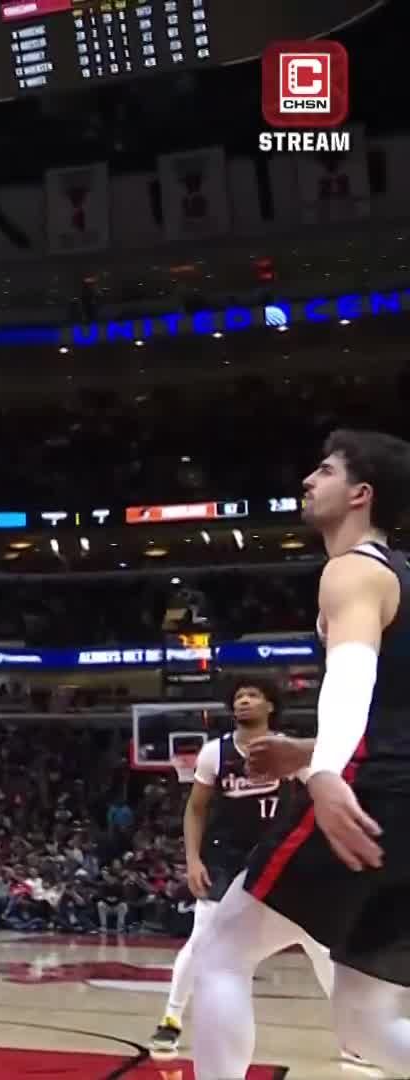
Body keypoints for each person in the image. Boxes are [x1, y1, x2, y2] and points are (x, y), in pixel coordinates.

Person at [191, 430, 410, 1078]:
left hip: (369, 793)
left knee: (222, 950)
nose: (309, 481)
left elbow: (351, 680)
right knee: (367, 1019)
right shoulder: (403, 576)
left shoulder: (353, 570)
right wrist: (309, 751)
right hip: (403, 796)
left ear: (361, 494)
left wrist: (324, 769)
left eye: (325, 470)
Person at [151, 677, 337, 1054]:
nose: (244, 701)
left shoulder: (286, 750)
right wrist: (192, 859)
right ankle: (171, 1019)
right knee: (202, 941)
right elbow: (196, 809)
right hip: (226, 858)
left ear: (270, 706)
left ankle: (351, 1031)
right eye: (239, 696)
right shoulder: (214, 753)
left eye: (253, 695)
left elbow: (322, 790)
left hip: (279, 856)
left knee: (319, 943)